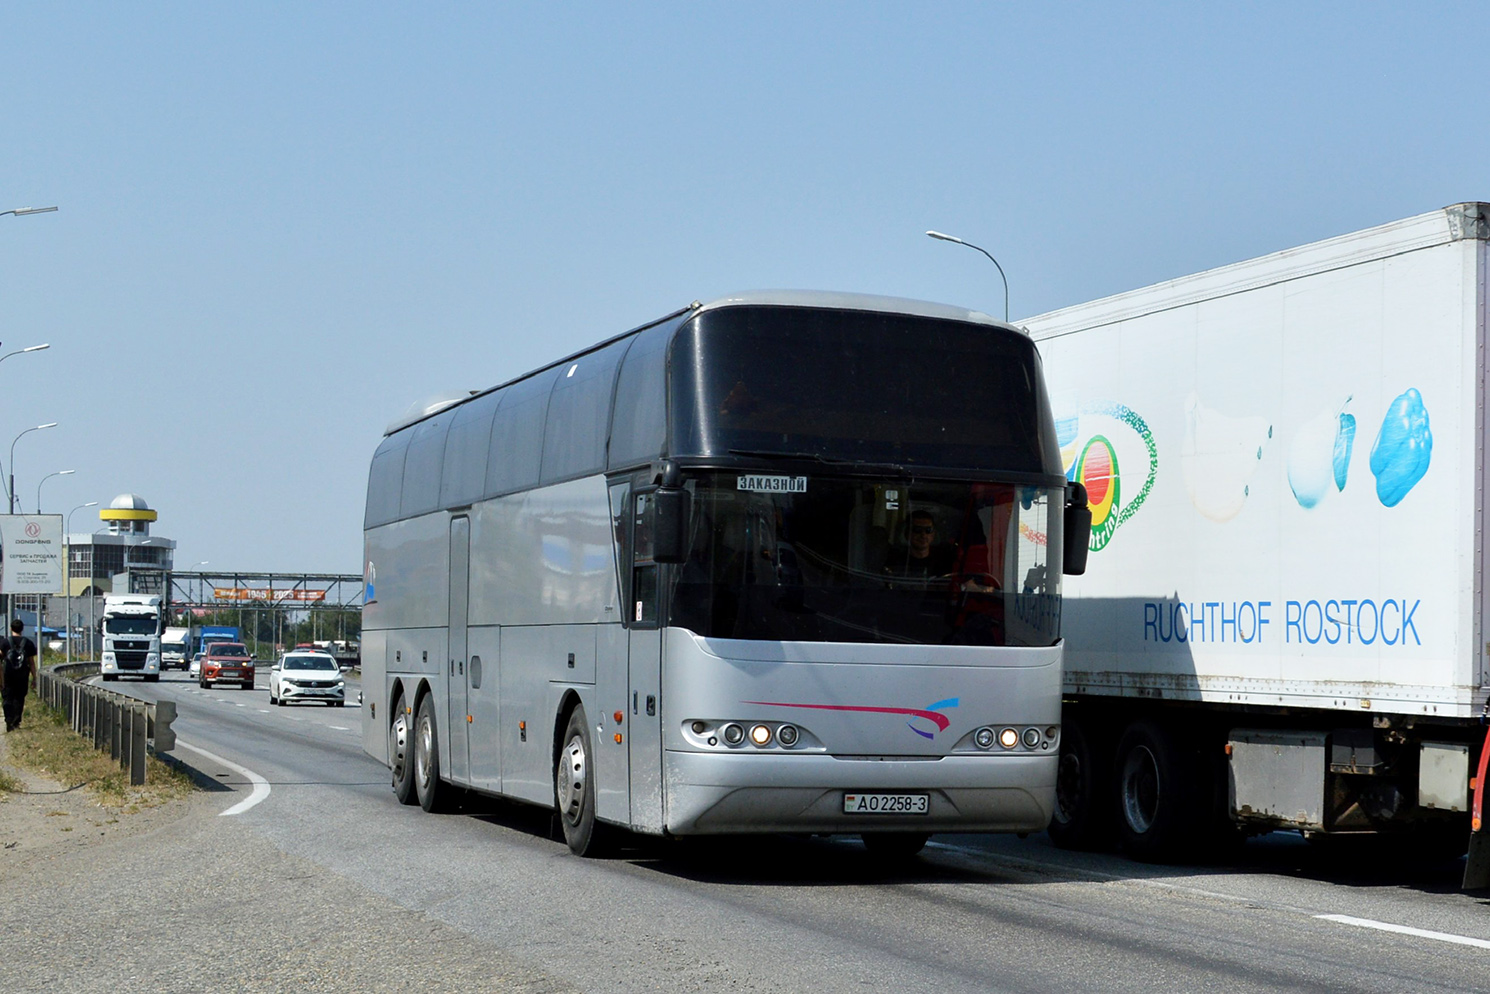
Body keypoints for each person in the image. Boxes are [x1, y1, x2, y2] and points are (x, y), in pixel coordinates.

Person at [884, 510, 957, 579]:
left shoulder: (945, 561)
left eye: (928, 530)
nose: (923, 535)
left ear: (933, 534)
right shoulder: (894, 561)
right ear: (907, 533)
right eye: (917, 530)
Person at [1, 619, 37, 732]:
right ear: (22, 629)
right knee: (19, 698)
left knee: (7, 698)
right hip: (22, 675)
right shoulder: (28, 643)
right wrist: (34, 678)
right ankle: (16, 722)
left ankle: (9, 720)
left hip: (7, 675)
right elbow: (31, 662)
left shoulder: (4, 642)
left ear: (11, 628)